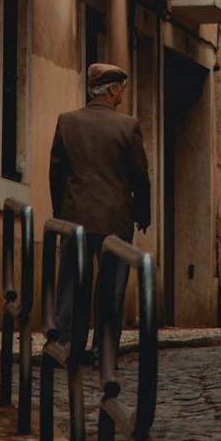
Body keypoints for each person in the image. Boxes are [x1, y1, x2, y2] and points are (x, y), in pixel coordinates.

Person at [49, 61, 151, 358]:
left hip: (74, 219)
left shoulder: (66, 122)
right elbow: (139, 177)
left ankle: (66, 344)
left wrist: (61, 214)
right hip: (115, 222)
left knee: (70, 285)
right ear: (114, 89)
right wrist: (142, 215)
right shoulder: (127, 126)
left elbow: (56, 174)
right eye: (122, 88)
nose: (122, 93)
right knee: (110, 290)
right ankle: (102, 351)